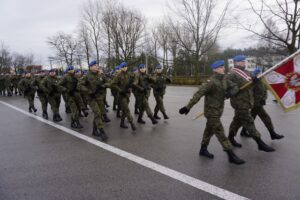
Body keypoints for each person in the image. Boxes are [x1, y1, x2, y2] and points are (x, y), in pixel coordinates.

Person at [179, 60, 245, 165]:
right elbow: (198, 94)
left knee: (208, 131)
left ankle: (203, 149)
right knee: (221, 133)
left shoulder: (224, 79)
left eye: (223, 66)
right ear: (215, 69)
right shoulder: (211, 82)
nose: (223, 68)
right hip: (211, 113)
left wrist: (229, 94)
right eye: (220, 67)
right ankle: (231, 155)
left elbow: (235, 87)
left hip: (218, 111)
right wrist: (188, 107)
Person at [227, 55, 275, 152]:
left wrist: (255, 79)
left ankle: (230, 138)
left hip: (247, 101)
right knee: (249, 122)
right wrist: (231, 91)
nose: (244, 63)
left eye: (244, 61)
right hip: (239, 102)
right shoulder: (232, 74)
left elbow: (251, 82)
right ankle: (260, 143)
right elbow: (228, 87)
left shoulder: (247, 72)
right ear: (236, 63)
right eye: (241, 61)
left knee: (237, 121)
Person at [240, 67, 284, 140]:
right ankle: (272, 134)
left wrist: (263, 98)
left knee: (251, 118)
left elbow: (264, 90)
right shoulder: (253, 81)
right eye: (258, 73)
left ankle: (243, 131)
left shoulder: (261, 80)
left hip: (259, 103)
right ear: (256, 74)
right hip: (255, 104)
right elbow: (249, 92)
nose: (260, 74)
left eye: (260, 72)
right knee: (266, 118)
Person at [78, 60, 109, 141]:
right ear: (90, 67)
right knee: (98, 113)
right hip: (91, 98)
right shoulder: (87, 76)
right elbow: (79, 86)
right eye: (94, 65)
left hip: (100, 98)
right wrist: (89, 91)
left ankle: (94, 130)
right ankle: (102, 131)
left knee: (99, 114)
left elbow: (109, 82)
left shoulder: (100, 75)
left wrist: (103, 85)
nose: (96, 66)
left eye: (97, 65)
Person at [111, 62, 136, 131]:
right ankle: (132, 123)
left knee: (125, 110)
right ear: (121, 68)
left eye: (125, 66)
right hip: (121, 95)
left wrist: (131, 87)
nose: (125, 68)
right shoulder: (118, 76)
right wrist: (120, 90)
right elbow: (113, 84)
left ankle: (122, 123)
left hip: (127, 94)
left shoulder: (129, 74)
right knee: (127, 109)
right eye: (123, 67)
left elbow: (133, 82)